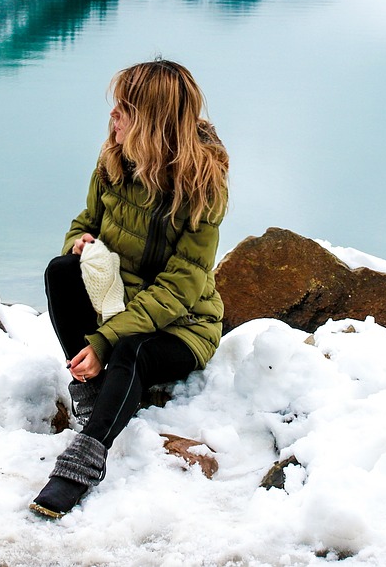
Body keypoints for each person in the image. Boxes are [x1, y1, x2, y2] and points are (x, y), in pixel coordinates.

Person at [29, 59, 229, 519]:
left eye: (124, 110)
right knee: (61, 270)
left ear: (154, 121)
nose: (112, 118)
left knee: (131, 351)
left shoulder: (201, 186)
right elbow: (85, 223)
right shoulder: (112, 160)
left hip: (181, 325)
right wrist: (78, 243)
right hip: (118, 302)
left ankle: (84, 458)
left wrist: (103, 340)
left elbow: (180, 289)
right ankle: (97, 392)